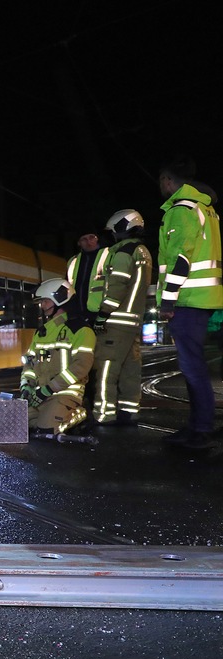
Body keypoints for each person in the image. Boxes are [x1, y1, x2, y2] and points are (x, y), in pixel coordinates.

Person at [156, 156, 223, 449]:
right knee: (193, 365)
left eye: (161, 181)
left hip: (187, 299)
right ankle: (197, 425)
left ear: (169, 181)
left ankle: (201, 430)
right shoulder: (205, 209)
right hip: (203, 297)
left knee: (192, 367)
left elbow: (180, 258)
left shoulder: (181, 211)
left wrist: (168, 301)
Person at [91, 209, 152, 425]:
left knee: (107, 368)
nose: (113, 235)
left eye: (114, 230)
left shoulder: (124, 251)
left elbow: (117, 285)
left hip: (116, 321)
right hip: (133, 321)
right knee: (130, 369)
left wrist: (103, 314)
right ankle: (128, 411)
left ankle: (104, 415)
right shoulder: (142, 251)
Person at [19, 279, 95, 434]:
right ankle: (48, 417)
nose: (43, 306)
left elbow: (80, 367)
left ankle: (80, 413)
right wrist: (26, 385)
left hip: (66, 394)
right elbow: (29, 364)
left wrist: (50, 388)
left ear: (60, 300)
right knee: (19, 425)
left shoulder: (81, 331)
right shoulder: (41, 333)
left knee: (47, 429)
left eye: (46, 301)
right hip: (39, 395)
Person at [66, 232, 110, 319]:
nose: (88, 241)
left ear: (97, 238)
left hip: (101, 312)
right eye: (84, 239)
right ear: (79, 243)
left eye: (91, 237)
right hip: (77, 313)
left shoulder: (109, 254)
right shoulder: (73, 260)